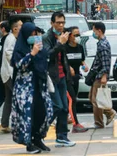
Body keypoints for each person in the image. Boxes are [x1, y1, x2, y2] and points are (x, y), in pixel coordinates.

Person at [11, 22, 54, 154]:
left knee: (46, 112)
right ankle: (28, 143)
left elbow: (46, 59)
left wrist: (39, 52)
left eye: (35, 34)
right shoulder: (19, 49)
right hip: (25, 89)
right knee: (28, 115)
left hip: (40, 86)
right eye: (31, 34)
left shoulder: (39, 48)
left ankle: (38, 138)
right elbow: (19, 65)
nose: (34, 36)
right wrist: (32, 54)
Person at [43, 12, 76, 147]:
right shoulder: (47, 37)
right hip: (51, 78)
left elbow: (63, 58)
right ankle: (39, 130)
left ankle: (62, 136)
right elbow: (47, 56)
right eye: (58, 22)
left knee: (64, 109)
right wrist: (59, 43)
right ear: (52, 23)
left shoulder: (63, 36)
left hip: (62, 77)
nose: (61, 25)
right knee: (57, 106)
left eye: (63, 22)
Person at [87, 21, 117, 129]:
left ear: (99, 31)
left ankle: (99, 122)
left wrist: (104, 75)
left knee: (96, 100)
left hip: (100, 76)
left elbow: (105, 62)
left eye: (94, 30)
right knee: (91, 97)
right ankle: (109, 112)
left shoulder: (103, 45)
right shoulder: (101, 43)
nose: (93, 33)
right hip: (97, 75)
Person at [64, 26, 89, 133]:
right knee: (72, 99)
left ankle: (63, 120)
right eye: (75, 35)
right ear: (69, 36)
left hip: (76, 77)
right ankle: (75, 124)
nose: (77, 37)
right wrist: (68, 68)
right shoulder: (64, 48)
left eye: (79, 35)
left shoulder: (80, 47)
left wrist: (84, 65)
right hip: (66, 78)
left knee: (71, 100)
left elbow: (81, 60)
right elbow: (62, 61)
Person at [0, 20, 22, 133]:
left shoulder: (13, 38)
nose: (22, 27)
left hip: (8, 73)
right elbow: (9, 53)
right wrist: (17, 64)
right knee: (18, 98)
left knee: (9, 99)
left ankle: (4, 124)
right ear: (15, 28)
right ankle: (19, 123)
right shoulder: (11, 39)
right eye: (20, 26)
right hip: (9, 73)